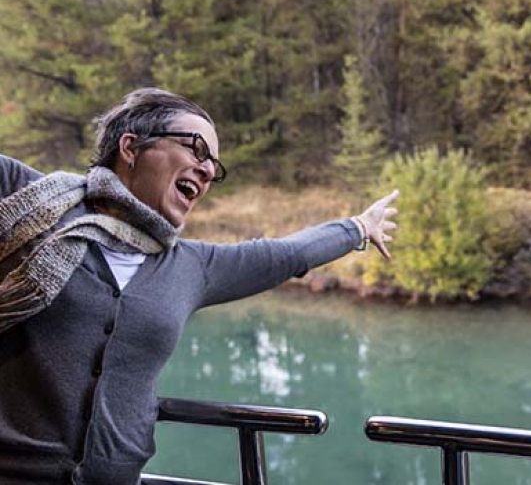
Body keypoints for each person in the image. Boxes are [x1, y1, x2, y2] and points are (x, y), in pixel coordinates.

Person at [0, 87, 399, 484]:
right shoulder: (31, 201)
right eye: (197, 149)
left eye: (214, 165)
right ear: (130, 147)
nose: (208, 171)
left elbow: (283, 255)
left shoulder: (192, 267)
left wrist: (358, 228)